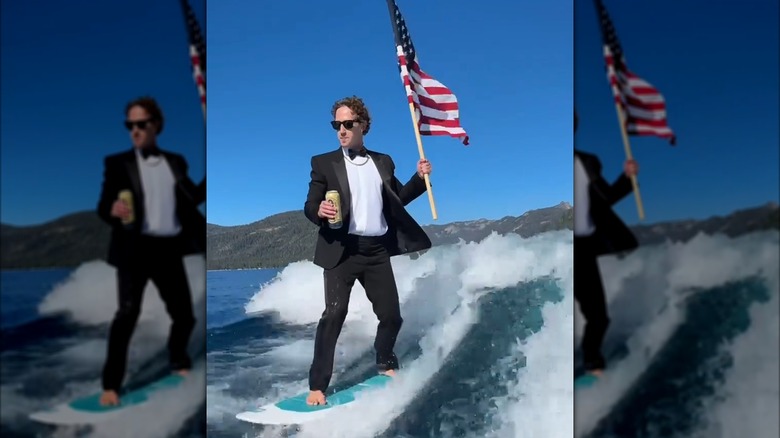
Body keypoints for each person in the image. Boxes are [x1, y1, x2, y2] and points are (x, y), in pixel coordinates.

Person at [303, 96, 433, 405]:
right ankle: (318, 385)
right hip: (341, 251)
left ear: (364, 126)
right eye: (337, 125)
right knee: (334, 315)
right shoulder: (323, 163)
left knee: (392, 316)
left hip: (376, 251)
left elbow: (397, 198)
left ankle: (385, 361)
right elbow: (310, 204)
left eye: (348, 124)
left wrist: (420, 178)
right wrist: (318, 210)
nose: (342, 131)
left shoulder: (383, 161)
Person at [96, 96, 206, 406]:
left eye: (141, 124)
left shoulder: (175, 162)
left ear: (156, 125)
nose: (135, 130)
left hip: (168, 250)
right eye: (129, 125)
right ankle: (111, 385)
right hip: (134, 249)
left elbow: (192, 198)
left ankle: (178, 360)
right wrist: (112, 209)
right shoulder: (117, 164)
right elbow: (103, 205)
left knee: (185, 316)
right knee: (127, 315)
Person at [573, 110, 639, 377]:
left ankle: (591, 363)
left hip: (584, 249)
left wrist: (627, 177)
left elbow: (606, 198)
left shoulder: (587, 162)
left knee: (599, 317)